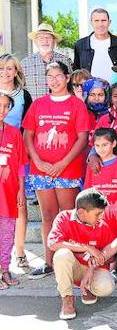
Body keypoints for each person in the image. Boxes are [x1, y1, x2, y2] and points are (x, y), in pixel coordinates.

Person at [23, 61, 90, 279]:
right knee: (48, 216)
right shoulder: (38, 104)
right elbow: (28, 135)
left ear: (67, 77)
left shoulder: (76, 105)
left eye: (58, 75)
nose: (54, 80)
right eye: (49, 76)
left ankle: (70, 261)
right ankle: (48, 260)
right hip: (41, 170)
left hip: (67, 170)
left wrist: (63, 163)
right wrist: (38, 162)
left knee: (68, 215)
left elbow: (82, 138)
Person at [48, 188, 115, 320]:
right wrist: (87, 248)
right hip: (72, 268)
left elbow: (111, 257)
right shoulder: (64, 218)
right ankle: (67, 298)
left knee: (106, 287)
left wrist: (93, 266)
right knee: (62, 254)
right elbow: (53, 244)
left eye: (102, 214)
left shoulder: (102, 226)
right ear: (81, 212)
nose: (101, 217)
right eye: (98, 214)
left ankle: (88, 288)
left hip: (92, 270)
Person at [0, 55, 31, 268]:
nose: (5, 72)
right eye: (1, 68)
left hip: (15, 153)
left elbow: (28, 125)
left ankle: (19, 251)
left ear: (16, 71)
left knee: (19, 207)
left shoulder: (23, 96)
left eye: (10, 68)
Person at [85, 128, 117, 237]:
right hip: (97, 214)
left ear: (113, 144)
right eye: (97, 145)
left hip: (116, 214)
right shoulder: (92, 166)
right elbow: (87, 192)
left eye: (104, 145)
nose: (101, 149)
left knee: (116, 240)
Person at [0, 93, 27, 289]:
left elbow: (20, 164)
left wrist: (21, 190)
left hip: (9, 192)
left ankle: (4, 269)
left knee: (7, 232)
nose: (2, 110)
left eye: (5, 107)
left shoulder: (14, 132)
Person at [21, 23, 73, 100]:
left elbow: (71, 86)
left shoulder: (65, 61)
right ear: (35, 42)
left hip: (60, 108)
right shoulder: (24, 64)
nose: (45, 41)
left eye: (48, 38)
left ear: (54, 41)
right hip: (36, 110)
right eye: (41, 38)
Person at [73, 8, 117, 83]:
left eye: (103, 20)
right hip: (89, 91)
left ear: (109, 22)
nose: (100, 24)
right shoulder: (81, 45)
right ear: (91, 23)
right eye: (96, 21)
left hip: (115, 91)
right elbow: (77, 70)